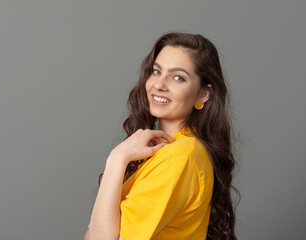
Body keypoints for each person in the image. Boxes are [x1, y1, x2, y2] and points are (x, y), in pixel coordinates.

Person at [84, 32, 238, 240]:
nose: (159, 84)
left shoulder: (181, 157)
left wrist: (116, 159)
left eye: (178, 77)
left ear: (203, 94)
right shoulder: (162, 151)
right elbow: (94, 233)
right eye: (156, 71)